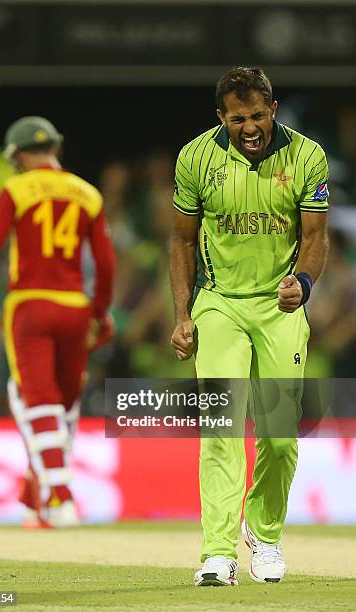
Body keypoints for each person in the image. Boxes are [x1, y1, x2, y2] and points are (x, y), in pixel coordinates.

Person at [170, 67, 329, 585]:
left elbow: (316, 235)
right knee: (221, 427)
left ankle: (263, 533)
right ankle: (218, 553)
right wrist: (181, 315)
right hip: (218, 306)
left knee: (280, 436)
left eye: (258, 115)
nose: (251, 127)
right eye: (239, 118)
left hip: (280, 309)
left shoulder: (307, 156)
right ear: (222, 117)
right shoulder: (196, 157)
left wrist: (302, 282)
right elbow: (180, 243)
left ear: (273, 108)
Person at [0, 116, 116, 527]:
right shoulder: (87, 193)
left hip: (29, 305)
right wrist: (100, 312)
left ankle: (59, 497)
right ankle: (34, 498)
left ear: (18, 155)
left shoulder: (16, 188)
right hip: (75, 305)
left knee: (31, 399)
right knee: (65, 402)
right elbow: (106, 263)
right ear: (55, 148)